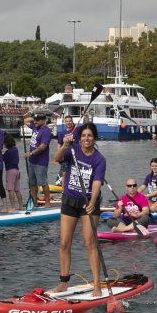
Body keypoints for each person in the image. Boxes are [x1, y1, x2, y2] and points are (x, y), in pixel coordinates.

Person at [51, 122, 106, 294]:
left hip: (88, 203)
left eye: (90, 136)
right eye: (83, 136)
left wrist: (92, 201)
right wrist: (65, 145)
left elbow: (97, 182)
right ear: (79, 138)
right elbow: (57, 158)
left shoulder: (99, 159)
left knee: (90, 243)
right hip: (69, 200)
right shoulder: (72, 149)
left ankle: (96, 285)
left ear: (94, 138)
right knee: (64, 243)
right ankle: (63, 282)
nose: (86, 139)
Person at [23, 112, 54, 209]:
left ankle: (47, 203)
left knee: (43, 183)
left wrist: (31, 153)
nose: (35, 122)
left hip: (41, 162)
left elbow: (43, 146)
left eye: (38, 120)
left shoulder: (46, 131)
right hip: (32, 161)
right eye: (35, 120)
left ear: (44, 121)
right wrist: (34, 117)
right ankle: (34, 202)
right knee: (32, 183)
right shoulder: (35, 127)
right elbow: (25, 120)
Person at [56, 115, 81, 185]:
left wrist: (86, 117)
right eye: (67, 121)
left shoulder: (77, 130)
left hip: (75, 156)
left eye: (70, 121)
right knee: (64, 174)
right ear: (65, 123)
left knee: (76, 173)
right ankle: (64, 192)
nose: (68, 122)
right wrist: (59, 156)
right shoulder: (62, 133)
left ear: (72, 122)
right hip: (65, 157)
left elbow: (86, 127)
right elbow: (59, 145)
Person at [3, 136, 23, 211]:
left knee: (10, 189)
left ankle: (13, 207)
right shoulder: (15, 149)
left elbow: (2, 158)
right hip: (17, 171)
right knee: (17, 189)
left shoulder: (8, 152)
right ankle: (21, 206)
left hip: (10, 171)